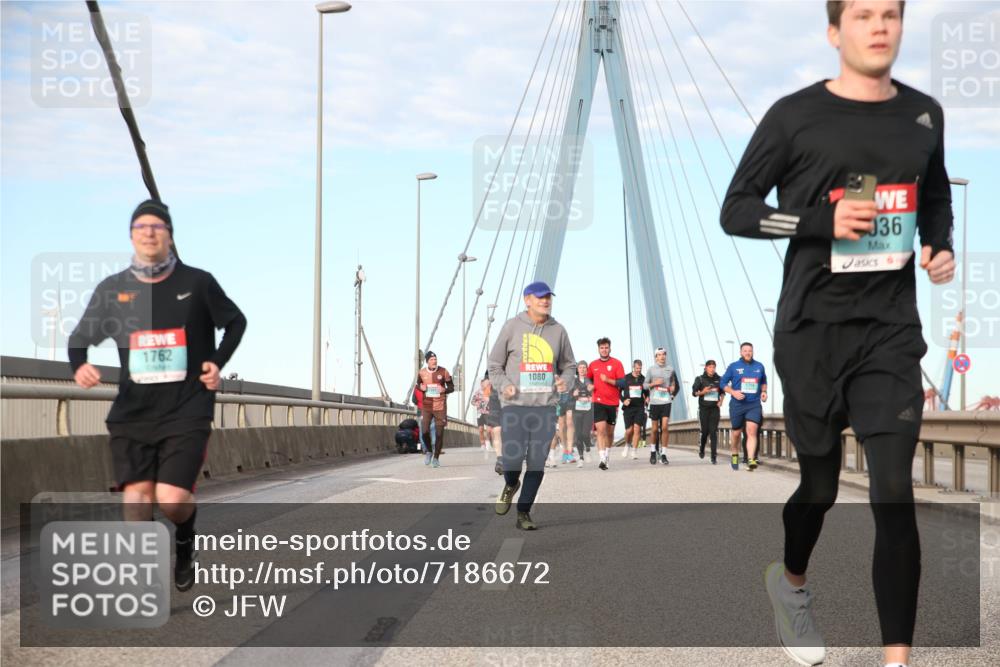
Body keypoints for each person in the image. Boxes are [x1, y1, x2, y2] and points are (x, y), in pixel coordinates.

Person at [720, 3, 955, 665]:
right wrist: (817, 221)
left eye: (889, 13)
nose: (878, 25)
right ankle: (790, 583)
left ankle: (896, 658)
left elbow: (935, 198)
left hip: (889, 331)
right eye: (861, 14)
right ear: (835, 32)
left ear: (900, 26)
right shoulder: (795, 117)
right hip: (811, 330)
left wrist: (940, 246)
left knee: (893, 493)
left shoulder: (925, 115)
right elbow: (737, 211)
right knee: (819, 484)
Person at [68, 199, 247, 592]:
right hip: (133, 412)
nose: (149, 232)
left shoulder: (197, 283)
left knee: (169, 499)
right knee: (136, 503)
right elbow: (79, 338)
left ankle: (184, 541)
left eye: (157, 226)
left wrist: (216, 361)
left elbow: (235, 322)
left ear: (169, 234)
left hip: (187, 408)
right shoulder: (114, 289)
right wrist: (79, 365)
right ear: (132, 236)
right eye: (141, 227)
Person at [489, 281, 576, 530]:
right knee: (513, 460)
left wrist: (565, 381)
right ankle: (511, 483)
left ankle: (523, 513)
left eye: (548, 297)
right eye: (540, 297)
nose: (545, 301)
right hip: (515, 405)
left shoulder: (558, 331)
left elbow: (569, 366)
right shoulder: (512, 327)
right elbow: (494, 365)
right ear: (527, 300)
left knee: (537, 461)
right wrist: (503, 384)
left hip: (545, 407)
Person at [719, 343, 767, 471]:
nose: (747, 353)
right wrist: (733, 392)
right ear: (741, 352)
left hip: (754, 404)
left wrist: (764, 392)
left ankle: (751, 459)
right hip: (737, 404)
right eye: (745, 351)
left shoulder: (759, 366)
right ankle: (734, 453)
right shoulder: (734, 367)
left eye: (750, 351)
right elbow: (722, 383)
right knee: (736, 433)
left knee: (752, 430)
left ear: (753, 352)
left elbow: (763, 382)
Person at [587, 338, 625, 471]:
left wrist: (608, 380)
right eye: (602, 348)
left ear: (610, 348)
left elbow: (622, 383)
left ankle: (607, 455)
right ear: (598, 349)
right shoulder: (593, 365)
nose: (604, 350)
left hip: (612, 403)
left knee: (609, 433)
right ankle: (602, 458)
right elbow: (587, 378)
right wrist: (589, 385)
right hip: (597, 401)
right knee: (600, 430)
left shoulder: (617, 363)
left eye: (606, 347)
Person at [417, 351, 454, 468]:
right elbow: (418, 385)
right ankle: (428, 451)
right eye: (432, 360)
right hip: (427, 406)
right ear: (427, 361)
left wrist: (444, 389)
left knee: (439, 434)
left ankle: (436, 458)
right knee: (424, 432)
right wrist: (420, 387)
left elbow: (452, 387)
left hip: (440, 407)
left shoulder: (444, 371)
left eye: (435, 359)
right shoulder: (422, 372)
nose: (434, 361)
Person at [644, 347, 679, 465]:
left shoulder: (670, 369)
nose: (662, 356)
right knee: (654, 429)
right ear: (656, 357)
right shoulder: (651, 370)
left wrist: (673, 389)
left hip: (666, 402)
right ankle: (653, 451)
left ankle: (663, 454)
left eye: (664, 354)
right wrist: (654, 383)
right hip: (654, 402)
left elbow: (674, 383)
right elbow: (644, 385)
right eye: (659, 355)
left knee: (664, 427)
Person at [691, 360, 723, 464]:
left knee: (713, 432)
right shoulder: (700, 379)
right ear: (705, 368)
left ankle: (714, 456)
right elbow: (694, 393)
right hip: (704, 409)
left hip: (714, 409)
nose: (712, 369)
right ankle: (702, 448)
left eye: (714, 367)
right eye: (710, 367)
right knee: (705, 431)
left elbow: (722, 392)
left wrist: (721, 401)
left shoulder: (719, 379)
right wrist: (703, 392)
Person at [620, 360, 648, 460]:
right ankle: (627, 445)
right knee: (629, 430)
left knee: (637, 429)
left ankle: (634, 451)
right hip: (628, 408)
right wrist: (623, 400)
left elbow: (646, 392)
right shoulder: (626, 378)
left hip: (639, 407)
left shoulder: (643, 379)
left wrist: (647, 398)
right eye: (637, 368)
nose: (638, 370)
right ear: (633, 367)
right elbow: (619, 392)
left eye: (640, 369)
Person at [570, 361, 594, 468]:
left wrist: (592, 393)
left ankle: (588, 449)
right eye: (580, 367)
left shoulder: (590, 380)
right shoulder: (573, 382)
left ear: (587, 369)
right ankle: (581, 457)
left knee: (585, 433)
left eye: (584, 367)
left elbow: (595, 391)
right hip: (577, 410)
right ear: (577, 369)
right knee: (578, 434)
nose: (582, 369)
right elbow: (569, 395)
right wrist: (573, 394)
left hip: (588, 410)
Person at [471, 377, 492, 451]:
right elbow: (472, 401)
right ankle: (482, 444)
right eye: (482, 384)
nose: (483, 385)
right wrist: (477, 403)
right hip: (479, 413)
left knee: (489, 429)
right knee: (480, 429)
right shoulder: (478, 392)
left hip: (488, 412)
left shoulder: (490, 392)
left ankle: (488, 443)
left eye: (485, 384)